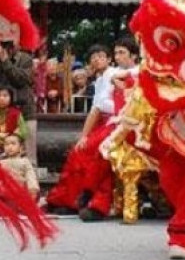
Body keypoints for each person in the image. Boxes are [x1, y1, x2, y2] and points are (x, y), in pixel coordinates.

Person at [46, 38, 139, 220]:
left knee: (100, 150)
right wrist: (84, 135)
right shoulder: (110, 76)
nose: (118, 56)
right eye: (117, 52)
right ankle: (68, 200)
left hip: (131, 124)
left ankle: (97, 202)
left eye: (122, 53)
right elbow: (97, 107)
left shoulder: (135, 73)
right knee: (79, 150)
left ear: (134, 55)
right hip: (114, 122)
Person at [0, 134, 40, 200]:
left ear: (21, 147)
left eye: (13, 144)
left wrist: (32, 188)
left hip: (20, 191)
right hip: (4, 192)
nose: (9, 147)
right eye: (6, 144)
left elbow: (30, 174)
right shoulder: (0, 162)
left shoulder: (24, 161)